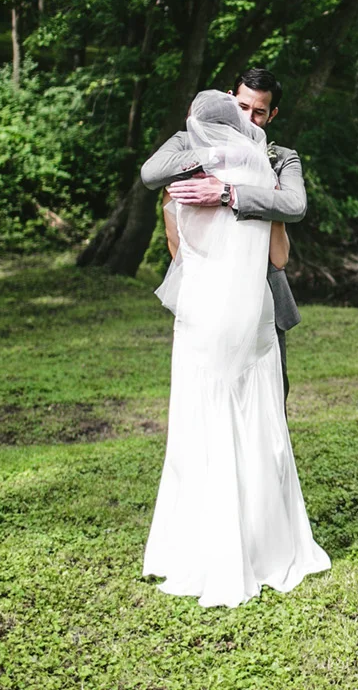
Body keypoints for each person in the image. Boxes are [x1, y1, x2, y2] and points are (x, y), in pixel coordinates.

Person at [141, 89, 329, 606]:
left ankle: (195, 549)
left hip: (201, 324)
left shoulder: (182, 189)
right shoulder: (261, 178)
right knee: (258, 429)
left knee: (199, 433)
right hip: (252, 322)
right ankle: (267, 542)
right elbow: (280, 256)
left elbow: (180, 252)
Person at [141, 67, 304, 406]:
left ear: (272, 114)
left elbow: (294, 205)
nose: (249, 119)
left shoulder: (281, 157)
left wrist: (229, 192)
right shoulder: (189, 140)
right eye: (243, 108)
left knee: (269, 399)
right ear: (230, 101)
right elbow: (150, 173)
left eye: (259, 112)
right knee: (208, 398)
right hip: (208, 293)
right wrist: (221, 154)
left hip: (264, 293)